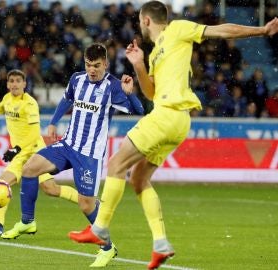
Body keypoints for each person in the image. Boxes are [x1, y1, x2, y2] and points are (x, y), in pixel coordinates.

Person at [68, 2, 278, 269]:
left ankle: (99, 229)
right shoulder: (155, 53)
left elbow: (221, 30)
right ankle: (160, 244)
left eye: (140, 21)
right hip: (176, 121)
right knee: (140, 180)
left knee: (115, 165)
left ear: (146, 21)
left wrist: (261, 29)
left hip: (169, 115)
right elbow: (151, 93)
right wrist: (140, 65)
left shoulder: (178, 29)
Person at [1, 43, 144, 267]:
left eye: (97, 65)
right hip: (67, 145)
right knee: (29, 169)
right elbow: (67, 99)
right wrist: (53, 122)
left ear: (105, 64)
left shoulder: (113, 87)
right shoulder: (77, 79)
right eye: (88, 65)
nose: (92, 70)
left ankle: (107, 247)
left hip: (89, 154)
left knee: (86, 205)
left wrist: (130, 94)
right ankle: (27, 222)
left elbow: (139, 111)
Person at [0, 69, 79, 236]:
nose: (14, 84)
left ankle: (87, 201)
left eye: (18, 81)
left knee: (50, 189)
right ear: (7, 84)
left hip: (36, 151)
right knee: (1, 183)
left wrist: (16, 149)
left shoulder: (30, 103)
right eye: (12, 81)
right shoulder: (7, 99)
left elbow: (33, 133)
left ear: (24, 84)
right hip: (20, 153)